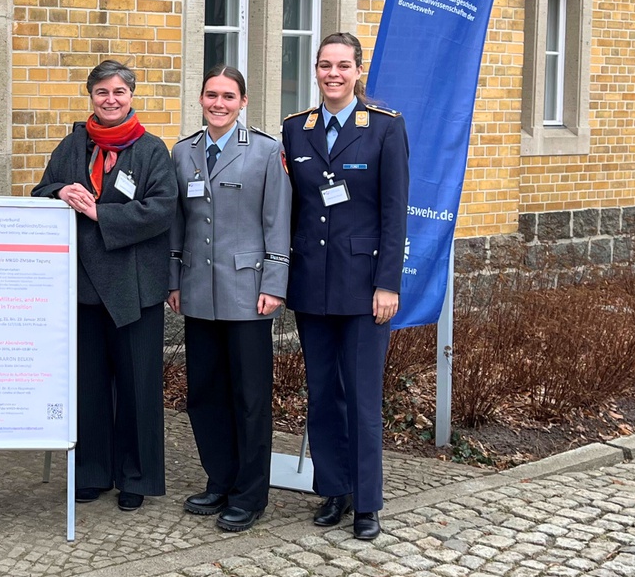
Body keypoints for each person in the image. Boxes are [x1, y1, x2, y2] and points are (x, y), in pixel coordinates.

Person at [31, 60, 176, 512]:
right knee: (87, 385)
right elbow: (39, 191)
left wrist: (100, 215)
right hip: (81, 288)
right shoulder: (74, 145)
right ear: (90, 95)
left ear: (131, 95)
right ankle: (91, 470)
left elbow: (161, 210)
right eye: (101, 92)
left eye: (118, 92)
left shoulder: (152, 150)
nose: (110, 100)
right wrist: (60, 193)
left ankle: (136, 476)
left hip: (134, 287)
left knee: (138, 386)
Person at [281, 32, 409, 541]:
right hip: (312, 283)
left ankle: (367, 502)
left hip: (363, 288)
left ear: (359, 71)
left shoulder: (384, 129)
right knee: (322, 395)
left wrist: (387, 284)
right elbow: (290, 209)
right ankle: (333, 489)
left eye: (342, 65)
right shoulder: (296, 130)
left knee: (361, 395)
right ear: (315, 71)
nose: (333, 74)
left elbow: (394, 212)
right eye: (324, 65)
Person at [167, 65, 291, 532]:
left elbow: (277, 220)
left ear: (242, 102)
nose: (218, 103)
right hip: (199, 291)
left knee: (250, 397)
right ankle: (219, 479)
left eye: (228, 96)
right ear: (201, 99)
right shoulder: (184, 153)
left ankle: (250, 493)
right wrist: (174, 280)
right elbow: (178, 223)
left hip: (247, 292)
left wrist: (275, 284)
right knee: (204, 393)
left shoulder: (264, 151)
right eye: (211, 95)